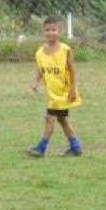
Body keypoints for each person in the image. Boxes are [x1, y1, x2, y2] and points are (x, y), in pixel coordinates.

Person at [26, 17, 83, 157]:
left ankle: (41, 148)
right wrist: (36, 81)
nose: (51, 32)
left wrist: (72, 88)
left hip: (63, 93)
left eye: (54, 29)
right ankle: (75, 147)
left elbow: (72, 69)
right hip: (52, 94)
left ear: (60, 32)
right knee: (62, 120)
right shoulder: (39, 53)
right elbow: (41, 69)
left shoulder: (65, 50)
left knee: (49, 118)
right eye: (47, 30)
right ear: (43, 32)